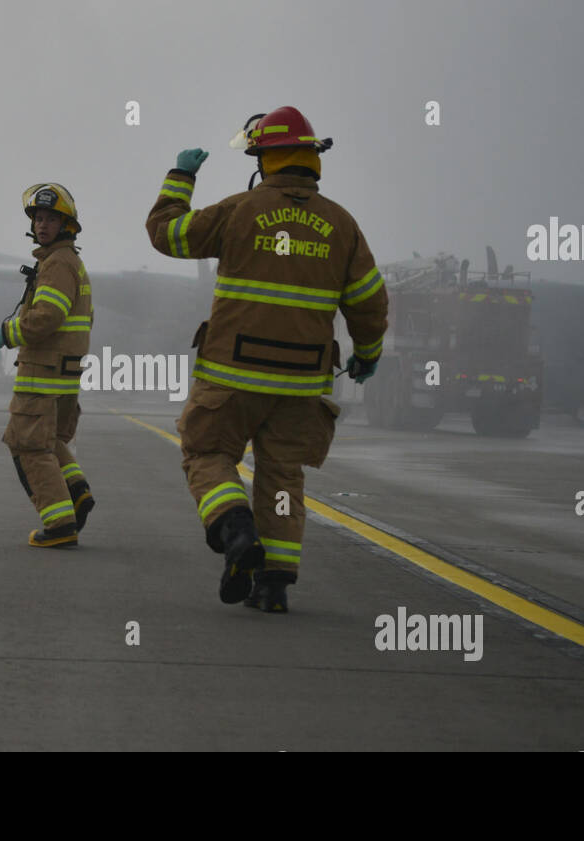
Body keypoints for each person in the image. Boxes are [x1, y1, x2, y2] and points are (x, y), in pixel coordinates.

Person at [145, 107, 388, 612]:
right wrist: (368, 355)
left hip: (233, 375)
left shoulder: (239, 211)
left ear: (265, 159)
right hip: (301, 386)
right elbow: (369, 302)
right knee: (282, 477)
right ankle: (273, 584)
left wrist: (181, 177)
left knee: (207, 455)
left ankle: (236, 534)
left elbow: (166, 234)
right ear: (311, 160)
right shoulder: (342, 225)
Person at [0, 183, 95, 548]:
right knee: (49, 440)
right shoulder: (67, 263)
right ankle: (76, 492)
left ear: (67, 226)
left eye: (51, 219)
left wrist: (8, 332)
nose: (42, 225)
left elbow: (46, 317)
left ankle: (60, 524)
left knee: (27, 444)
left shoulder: (58, 264)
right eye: (38, 218)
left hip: (42, 371)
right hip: (63, 373)